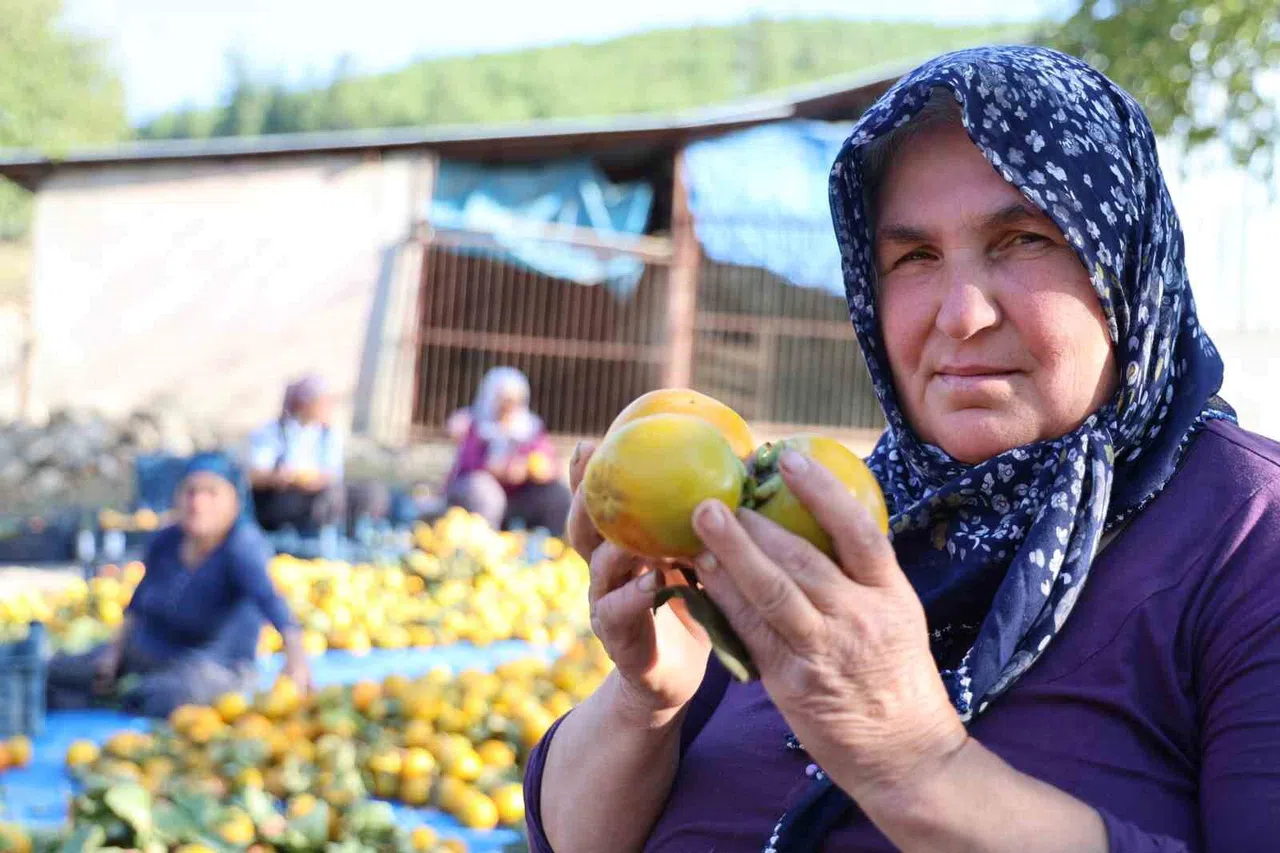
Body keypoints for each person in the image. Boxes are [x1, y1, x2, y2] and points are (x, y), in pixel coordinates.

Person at [525, 46, 1280, 853]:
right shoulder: (829, 508)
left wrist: (916, 763)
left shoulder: (1247, 536)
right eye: (914, 256)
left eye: (1022, 238)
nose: (959, 315)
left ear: (1121, 257)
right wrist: (653, 700)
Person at [47, 453, 311, 717]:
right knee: (55, 670)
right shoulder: (167, 541)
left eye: (211, 493)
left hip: (212, 666)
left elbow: (273, 604)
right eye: (190, 492)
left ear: (234, 500)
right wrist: (112, 655)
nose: (198, 503)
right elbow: (137, 606)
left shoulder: (241, 546)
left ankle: (118, 697)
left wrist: (296, 662)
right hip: (148, 654)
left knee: (167, 695)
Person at [445, 367, 572, 536]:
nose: (509, 406)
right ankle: (484, 547)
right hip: (480, 496)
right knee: (486, 492)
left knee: (558, 494)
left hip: (520, 495)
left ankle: (550, 546)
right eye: (504, 400)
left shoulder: (530, 428)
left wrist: (534, 470)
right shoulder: (476, 425)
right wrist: (498, 469)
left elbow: (548, 460)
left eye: (514, 400)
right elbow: (470, 463)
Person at [247, 375, 345, 534]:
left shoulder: (329, 435)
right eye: (322, 402)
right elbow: (256, 475)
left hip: (317, 499)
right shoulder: (273, 431)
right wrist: (280, 477)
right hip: (278, 498)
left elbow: (332, 474)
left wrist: (314, 480)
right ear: (305, 403)